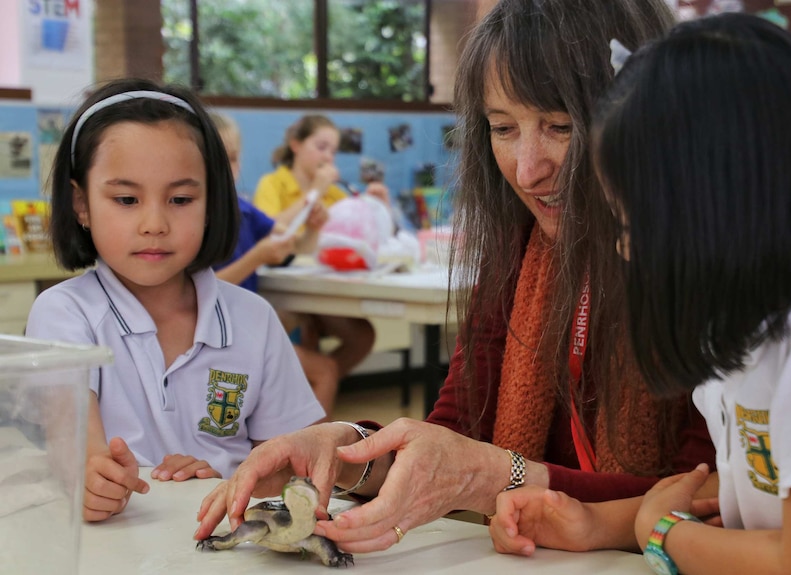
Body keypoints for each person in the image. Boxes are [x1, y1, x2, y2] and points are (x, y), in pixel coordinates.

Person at [195, 0, 715, 553]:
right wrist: (345, 453)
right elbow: (454, 434)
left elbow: (707, 495)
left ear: (644, 114)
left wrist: (499, 476)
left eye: (561, 126)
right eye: (502, 128)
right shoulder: (520, 244)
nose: (527, 167)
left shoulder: (716, 262)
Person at [489, 13, 791, 574]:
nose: (625, 250)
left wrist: (662, 536)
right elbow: (734, 496)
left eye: (632, 224)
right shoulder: (744, 332)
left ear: (720, 200)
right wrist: (597, 525)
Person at [25, 78, 325, 523]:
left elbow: (302, 468)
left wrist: (230, 481)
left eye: (181, 199)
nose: (154, 223)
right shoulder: (64, 315)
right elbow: (79, 459)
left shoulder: (252, 318)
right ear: (81, 204)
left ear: (212, 202)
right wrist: (97, 483)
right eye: (126, 199)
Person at [210, 113, 341, 417]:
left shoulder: (242, 209)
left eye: (233, 158)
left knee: (319, 362)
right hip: (218, 336)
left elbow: (289, 247)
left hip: (243, 329)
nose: (229, 168)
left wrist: (311, 229)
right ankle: (305, 457)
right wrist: (258, 256)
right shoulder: (195, 220)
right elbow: (204, 292)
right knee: (324, 371)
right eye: (219, 158)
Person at [253, 114, 382, 382]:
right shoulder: (273, 184)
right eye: (321, 147)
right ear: (296, 145)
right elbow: (267, 229)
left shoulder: (334, 194)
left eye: (333, 151)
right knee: (297, 323)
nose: (328, 157)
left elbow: (352, 236)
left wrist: (380, 206)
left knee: (363, 335)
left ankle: (314, 387)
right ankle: (305, 387)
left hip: (319, 288)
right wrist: (313, 191)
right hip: (280, 291)